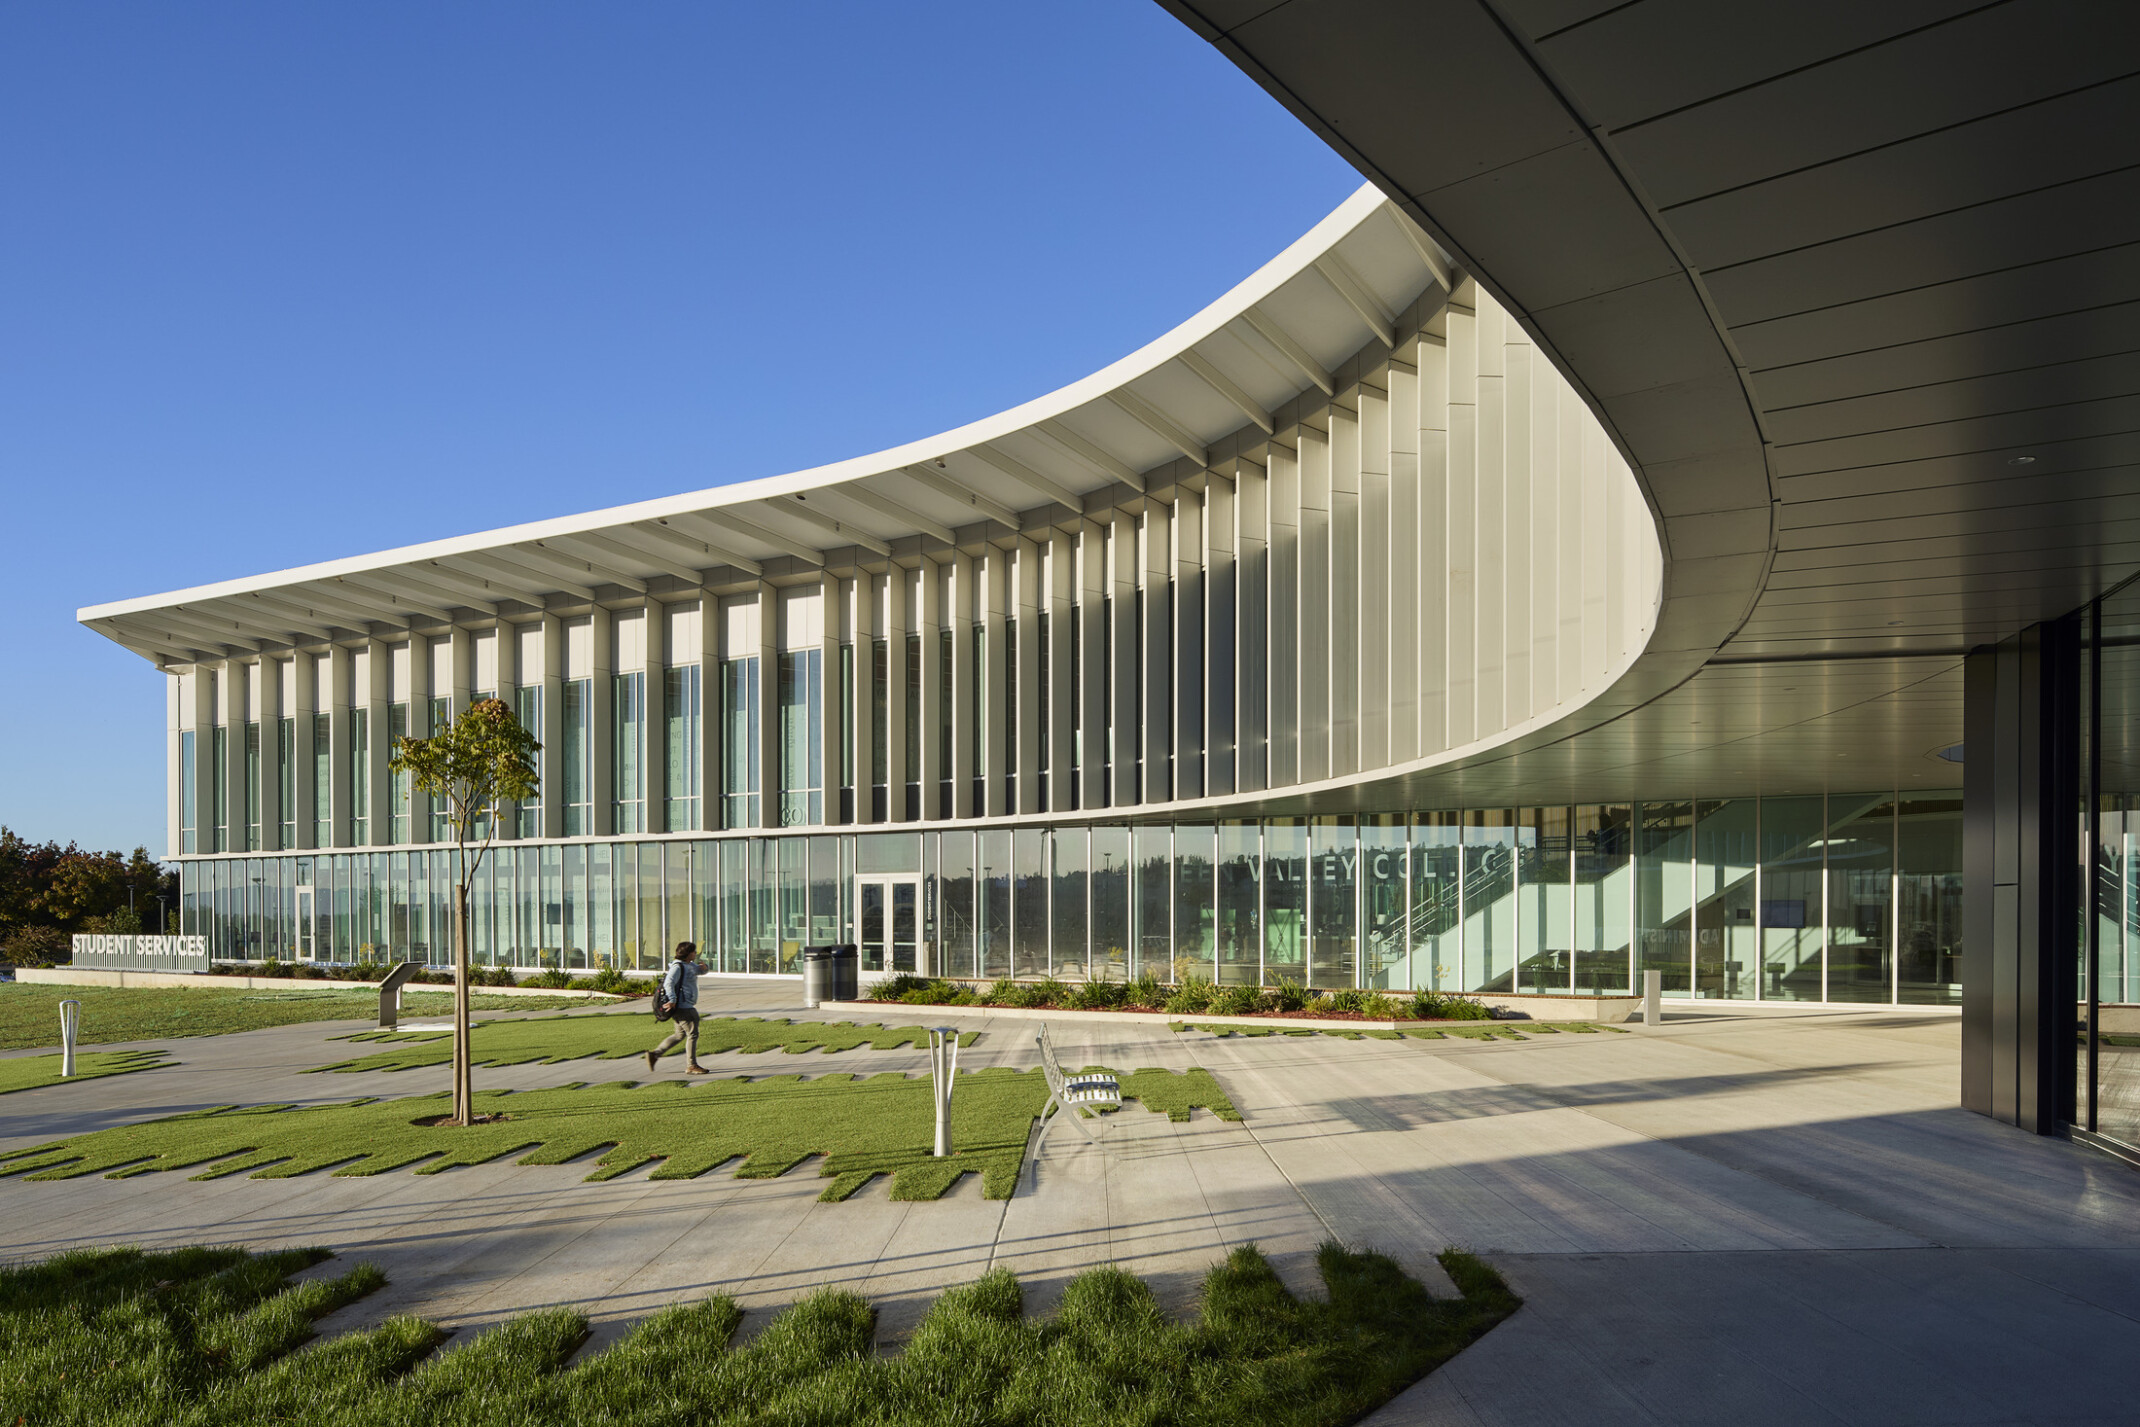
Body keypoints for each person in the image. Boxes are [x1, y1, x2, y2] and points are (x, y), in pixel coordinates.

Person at [645, 941, 708, 1074]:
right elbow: (668, 983)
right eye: (693, 951)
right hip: (683, 1006)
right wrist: (672, 1000)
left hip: (684, 1005)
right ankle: (691, 1065)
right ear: (687, 953)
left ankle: (655, 1054)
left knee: (679, 1035)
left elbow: (699, 971)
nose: (695, 953)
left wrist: (704, 968)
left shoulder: (689, 965)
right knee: (692, 1034)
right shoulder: (678, 967)